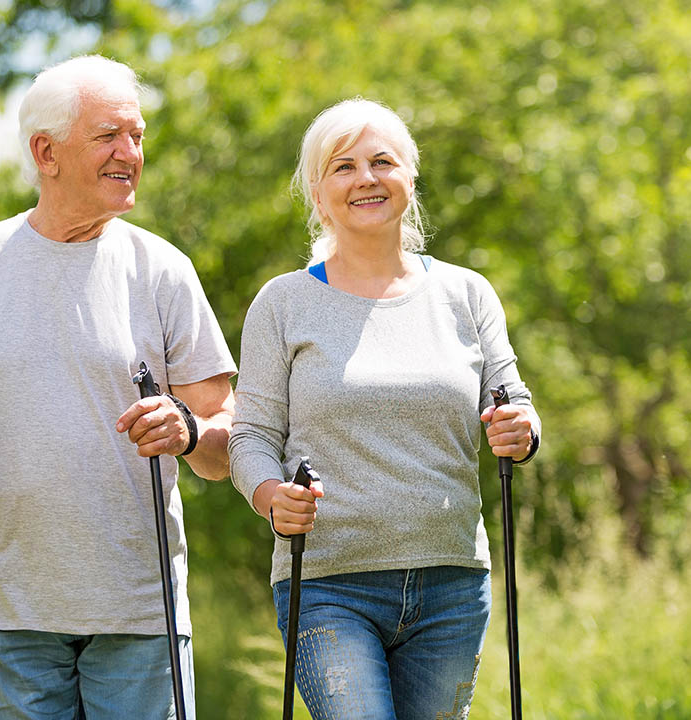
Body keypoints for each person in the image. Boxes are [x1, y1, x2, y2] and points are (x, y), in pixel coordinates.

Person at [0, 55, 236, 719]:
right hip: (8, 610)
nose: (130, 153)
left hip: (140, 610)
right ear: (46, 152)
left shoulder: (162, 270)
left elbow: (224, 439)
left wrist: (188, 430)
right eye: (109, 136)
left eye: (137, 136)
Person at [227, 98, 541, 720]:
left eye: (381, 162)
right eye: (343, 167)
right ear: (317, 194)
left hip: (451, 583)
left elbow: (515, 405)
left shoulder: (466, 294)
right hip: (326, 584)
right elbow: (251, 436)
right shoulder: (282, 304)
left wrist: (522, 431)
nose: (365, 179)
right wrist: (270, 495)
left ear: (409, 178)